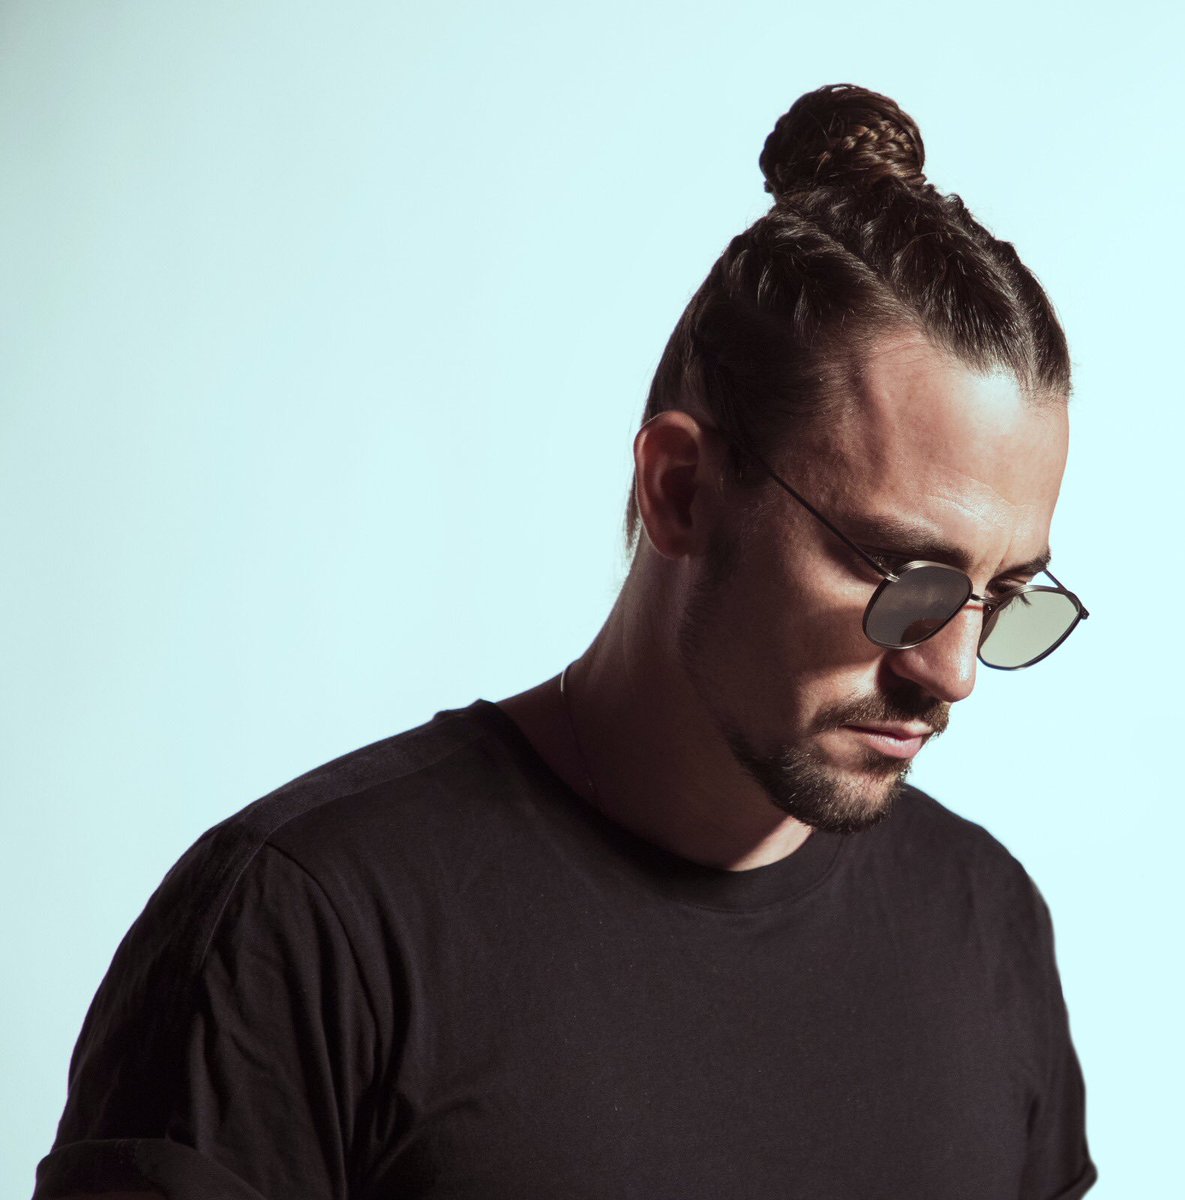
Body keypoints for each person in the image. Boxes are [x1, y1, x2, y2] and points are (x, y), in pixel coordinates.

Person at [34, 83, 1096, 1200]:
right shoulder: (303, 927)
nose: (952, 672)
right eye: (903, 575)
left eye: (1003, 594)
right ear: (680, 489)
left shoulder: (985, 923)